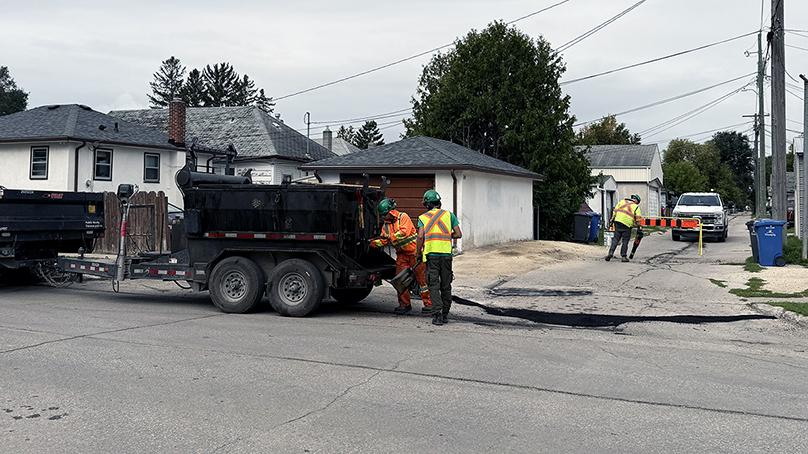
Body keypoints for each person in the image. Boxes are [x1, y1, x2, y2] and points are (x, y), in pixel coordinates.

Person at [371, 198, 433, 314]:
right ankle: (404, 305)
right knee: (400, 281)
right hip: (402, 255)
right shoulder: (386, 226)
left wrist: (390, 237)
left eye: (385, 214)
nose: (384, 217)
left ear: (391, 212)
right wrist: (373, 243)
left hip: (415, 254)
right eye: (383, 215)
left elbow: (404, 232)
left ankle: (429, 305)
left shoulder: (403, 217)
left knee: (422, 281)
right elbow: (384, 241)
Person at [416, 190, 462, 326]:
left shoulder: (423, 218)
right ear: (439, 202)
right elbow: (458, 234)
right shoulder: (449, 215)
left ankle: (437, 315)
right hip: (446, 256)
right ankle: (446, 314)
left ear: (426, 204)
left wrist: (418, 253)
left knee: (433, 285)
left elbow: (420, 237)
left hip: (432, 256)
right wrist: (447, 236)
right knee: (446, 286)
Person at [606, 194, 642, 262]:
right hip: (627, 225)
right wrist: (639, 226)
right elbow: (638, 218)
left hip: (617, 222)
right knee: (625, 241)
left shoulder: (622, 202)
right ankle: (623, 256)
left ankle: (610, 253)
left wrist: (612, 220)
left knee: (616, 239)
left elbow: (615, 211)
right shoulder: (636, 207)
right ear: (636, 201)